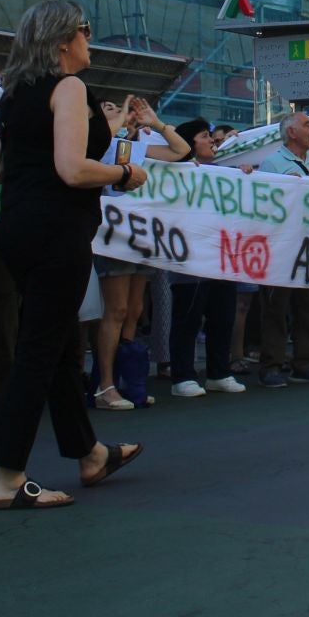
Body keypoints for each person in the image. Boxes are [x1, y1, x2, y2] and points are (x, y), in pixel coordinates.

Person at [0, 1, 144, 509]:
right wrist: (123, 175)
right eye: (84, 31)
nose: (89, 40)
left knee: (56, 345)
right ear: (61, 43)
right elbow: (73, 169)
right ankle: (7, 477)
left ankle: (89, 453)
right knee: (38, 350)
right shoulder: (69, 88)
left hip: (19, 228)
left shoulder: (14, 96)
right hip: (58, 230)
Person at [90, 96, 189, 407]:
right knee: (116, 309)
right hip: (110, 230)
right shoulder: (96, 138)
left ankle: (130, 381)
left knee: (133, 310)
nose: (119, 112)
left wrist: (154, 122)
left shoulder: (140, 143)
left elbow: (180, 150)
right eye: (109, 108)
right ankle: (105, 384)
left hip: (137, 232)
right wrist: (118, 121)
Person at [160, 119, 245, 399]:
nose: (211, 141)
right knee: (188, 318)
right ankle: (182, 375)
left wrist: (245, 176)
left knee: (222, 317)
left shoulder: (223, 173)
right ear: (190, 143)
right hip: (190, 260)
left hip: (223, 258)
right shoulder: (174, 172)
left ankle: (218, 372)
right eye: (205, 136)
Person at [255, 112, 309, 387]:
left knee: (307, 308)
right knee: (276, 309)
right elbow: (261, 204)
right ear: (291, 132)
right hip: (280, 247)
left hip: (308, 246)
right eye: (307, 125)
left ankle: (304, 362)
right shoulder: (272, 163)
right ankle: (271, 366)